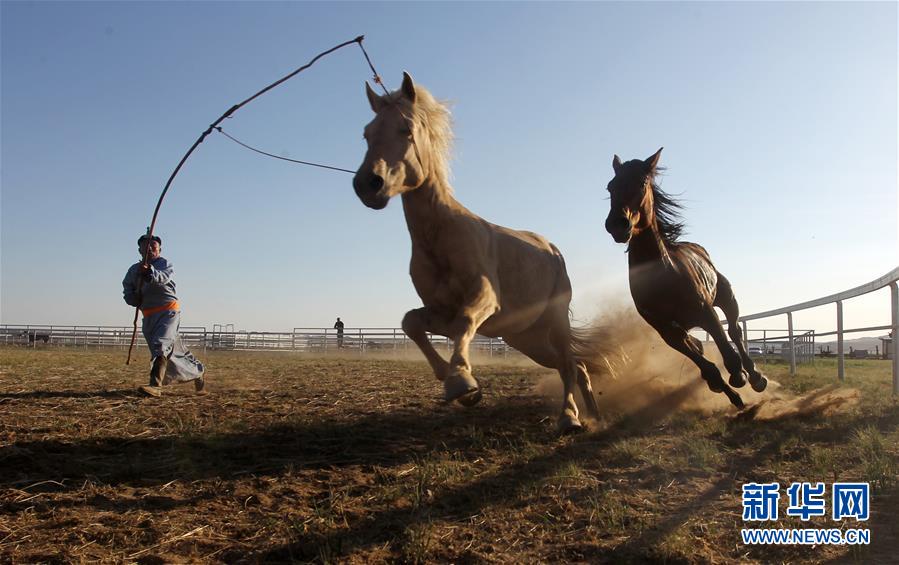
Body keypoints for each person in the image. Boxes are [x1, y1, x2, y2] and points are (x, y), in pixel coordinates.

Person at [123, 234, 206, 397]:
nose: (150, 248)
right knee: (170, 353)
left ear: (159, 249)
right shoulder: (133, 270)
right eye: (146, 245)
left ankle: (155, 385)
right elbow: (128, 290)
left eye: (153, 245)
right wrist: (133, 298)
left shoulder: (164, 264)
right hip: (148, 316)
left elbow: (162, 277)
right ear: (139, 249)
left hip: (168, 312)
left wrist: (150, 273)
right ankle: (198, 371)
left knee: (161, 345)